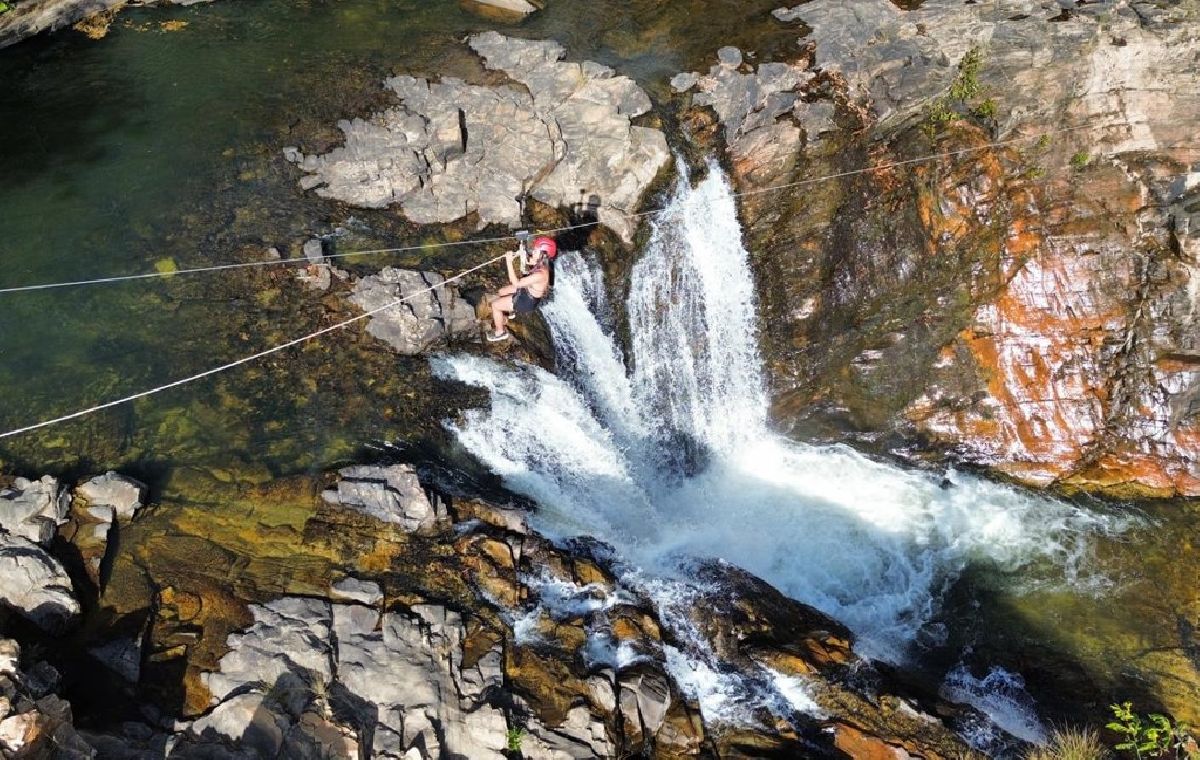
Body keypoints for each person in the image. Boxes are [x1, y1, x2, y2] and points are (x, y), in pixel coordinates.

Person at [487, 235, 557, 341]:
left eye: (536, 251)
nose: (533, 252)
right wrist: (521, 252)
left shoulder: (541, 274)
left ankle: (500, 332)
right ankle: (509, 312)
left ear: (543, 255)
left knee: (495, 305)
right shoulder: (542, 264)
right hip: (527, 290)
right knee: (502, 291)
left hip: (526, 301)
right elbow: (530, 261)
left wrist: (509, 262)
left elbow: (516, 283)